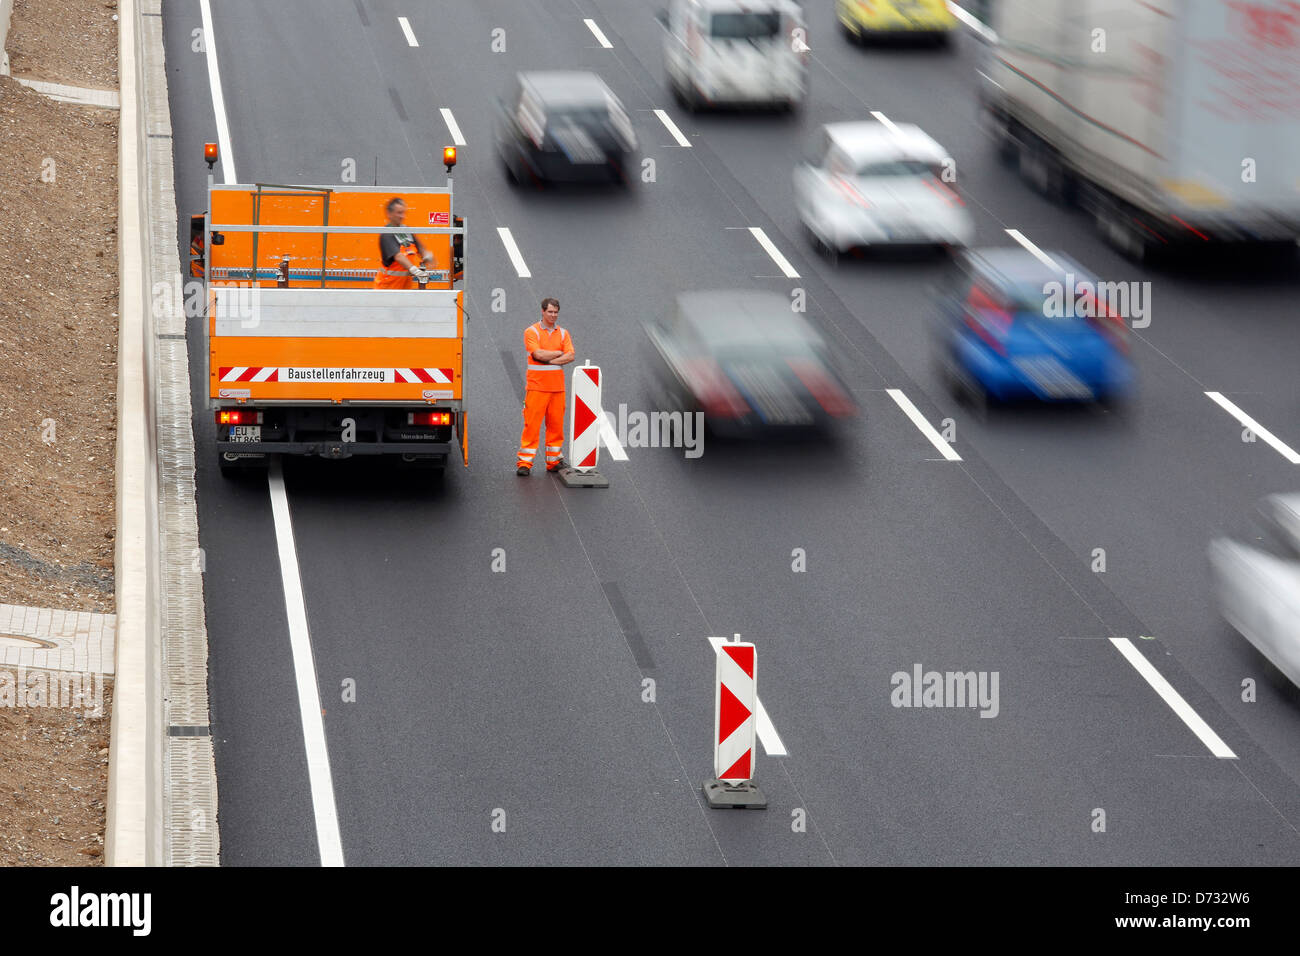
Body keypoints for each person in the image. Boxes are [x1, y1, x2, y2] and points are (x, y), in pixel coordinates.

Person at [517, 298, 575, 475]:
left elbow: (571, 355)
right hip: (537, 387)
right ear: (542, 311)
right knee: (532, 426)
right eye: (550, 312)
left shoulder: (563, 333)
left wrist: (548, 359)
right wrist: (558, 354)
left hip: (557, 389)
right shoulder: (531, 331)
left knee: (556, 426)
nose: (553, 315)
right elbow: (537, 353)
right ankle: (525, 463)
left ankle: (554, 461)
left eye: (556, 312)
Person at [374, 197, 435, 289]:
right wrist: (415, 270)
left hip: (403, 288)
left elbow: (420, 247)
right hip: (387, 287)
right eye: (399, 213)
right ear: (389, 214)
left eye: (403, 212)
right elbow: (398, 256)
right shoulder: (387, 234)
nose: (402, 216)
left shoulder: (407, 231)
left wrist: (427, 256)